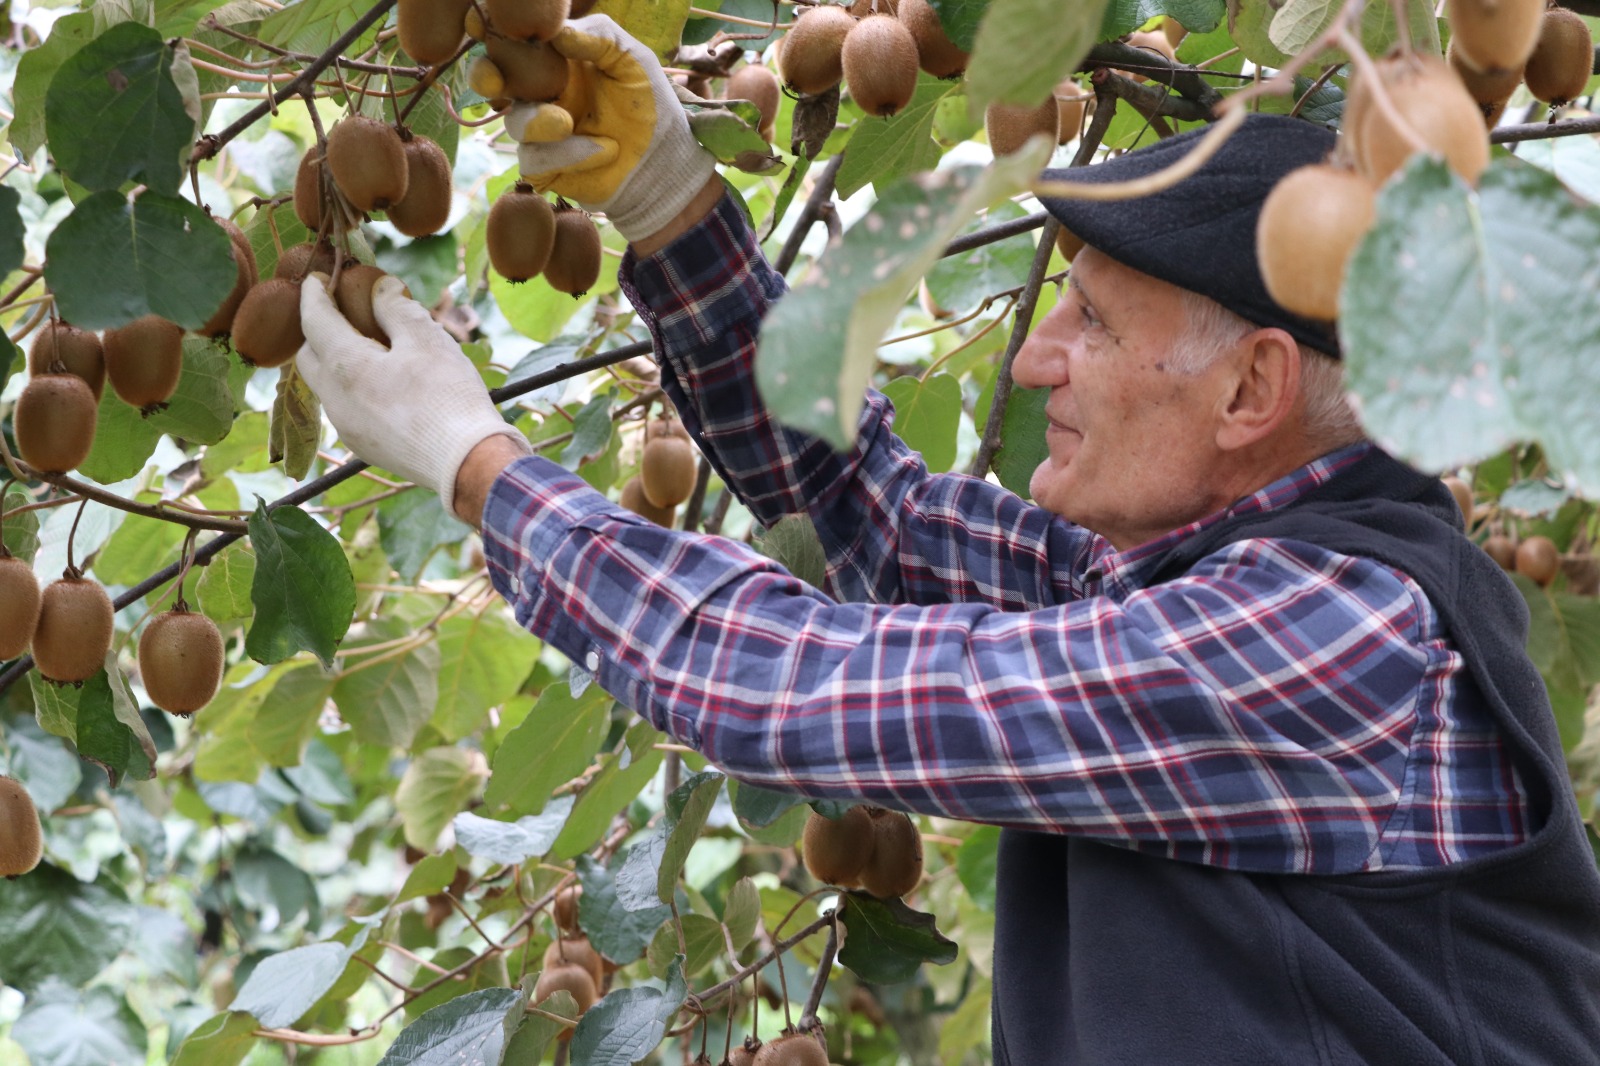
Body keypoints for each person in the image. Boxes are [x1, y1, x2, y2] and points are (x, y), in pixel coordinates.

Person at [295, 15, 1600, 1064]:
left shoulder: (1337, 633)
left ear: (1251, 391)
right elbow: (881, 518)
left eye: (1088, 322)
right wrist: (670, 204)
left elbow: (793, 683)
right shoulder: (1194, 580)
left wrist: (477, 465)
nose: (1035, 359)